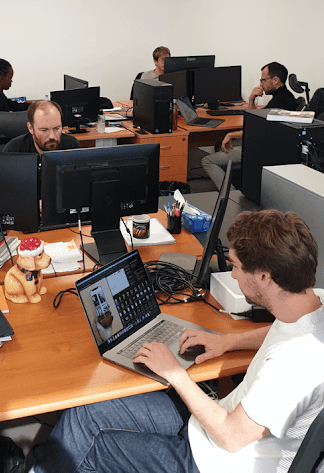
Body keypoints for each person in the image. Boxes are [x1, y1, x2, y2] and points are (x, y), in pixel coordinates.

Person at [31, 210, 324, 473]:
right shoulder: (310, 305)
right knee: (85, 412)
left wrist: (175, 374)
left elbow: (231, 437)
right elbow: (280, 330)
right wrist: (227, 342)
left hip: (210, 461)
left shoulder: (293, 362)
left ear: (264, 276)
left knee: (83, 449)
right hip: (210, 424)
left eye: (236, 266)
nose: (232, 274)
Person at [202, 62, 298, 190]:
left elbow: (256, 130)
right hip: (264, 142)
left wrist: (232, 134)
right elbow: (254, 121)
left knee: (207, 161)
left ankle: (230, 195)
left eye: (263, 80)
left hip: (262, 148)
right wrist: (251, 99)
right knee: (220, 144)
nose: (261, 84)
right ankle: (236, 179)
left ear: (275, 80)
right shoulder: (283, 97)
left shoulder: (280, 102)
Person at [3, 100, 80, 155]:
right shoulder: (14, 150)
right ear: (30, 128)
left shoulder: (72, 146)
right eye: (44, 130)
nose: (52, 136)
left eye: (56, 128)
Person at [0, 58, 29, 138]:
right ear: (1, 78)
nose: (11, 81)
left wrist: (34, 105)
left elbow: (13, 106)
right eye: (10, 78)